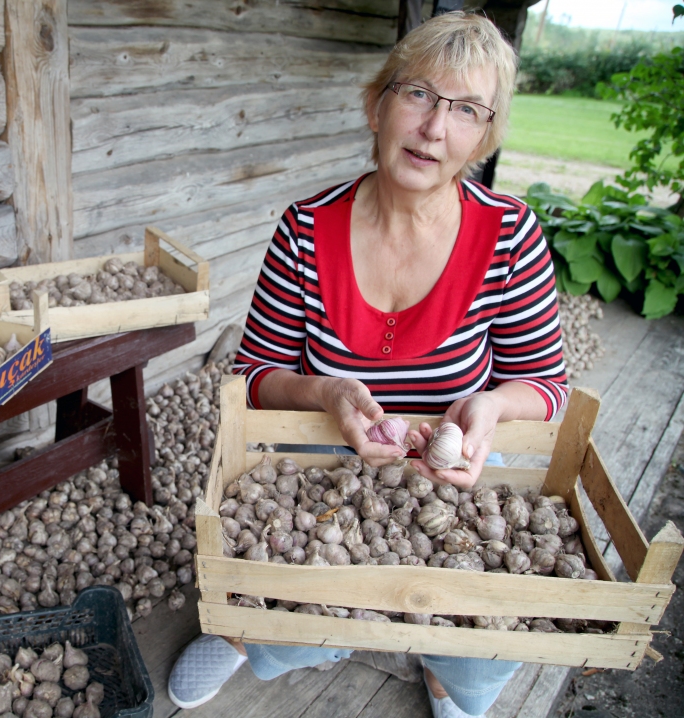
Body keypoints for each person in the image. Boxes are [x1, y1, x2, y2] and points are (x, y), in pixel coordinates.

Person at [167, 11, 568, 718]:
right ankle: (250, 633)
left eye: (467, 110)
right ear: (377, 103)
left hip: (452, 481)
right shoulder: (304, 229)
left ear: (485, 136)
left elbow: (548, 388)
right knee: (286, 577)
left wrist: (492, 408)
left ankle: (444, 673)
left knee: (484, 608)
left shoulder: (509, 235)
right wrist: (325, 391)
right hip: (320, 472)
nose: (434, 128)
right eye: (418, 94)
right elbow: (255, 377)